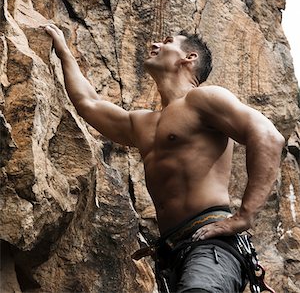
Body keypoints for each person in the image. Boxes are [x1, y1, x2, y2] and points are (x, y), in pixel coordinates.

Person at [44, 24, 285, 293]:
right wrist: (63, 50)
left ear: (189, 58)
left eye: (167, 41)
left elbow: (268, 137)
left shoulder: (203, 99)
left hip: (211, 246)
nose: (155, 44)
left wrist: (244, 216)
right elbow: (89, 103)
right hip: (174, 254)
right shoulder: (142, 123)